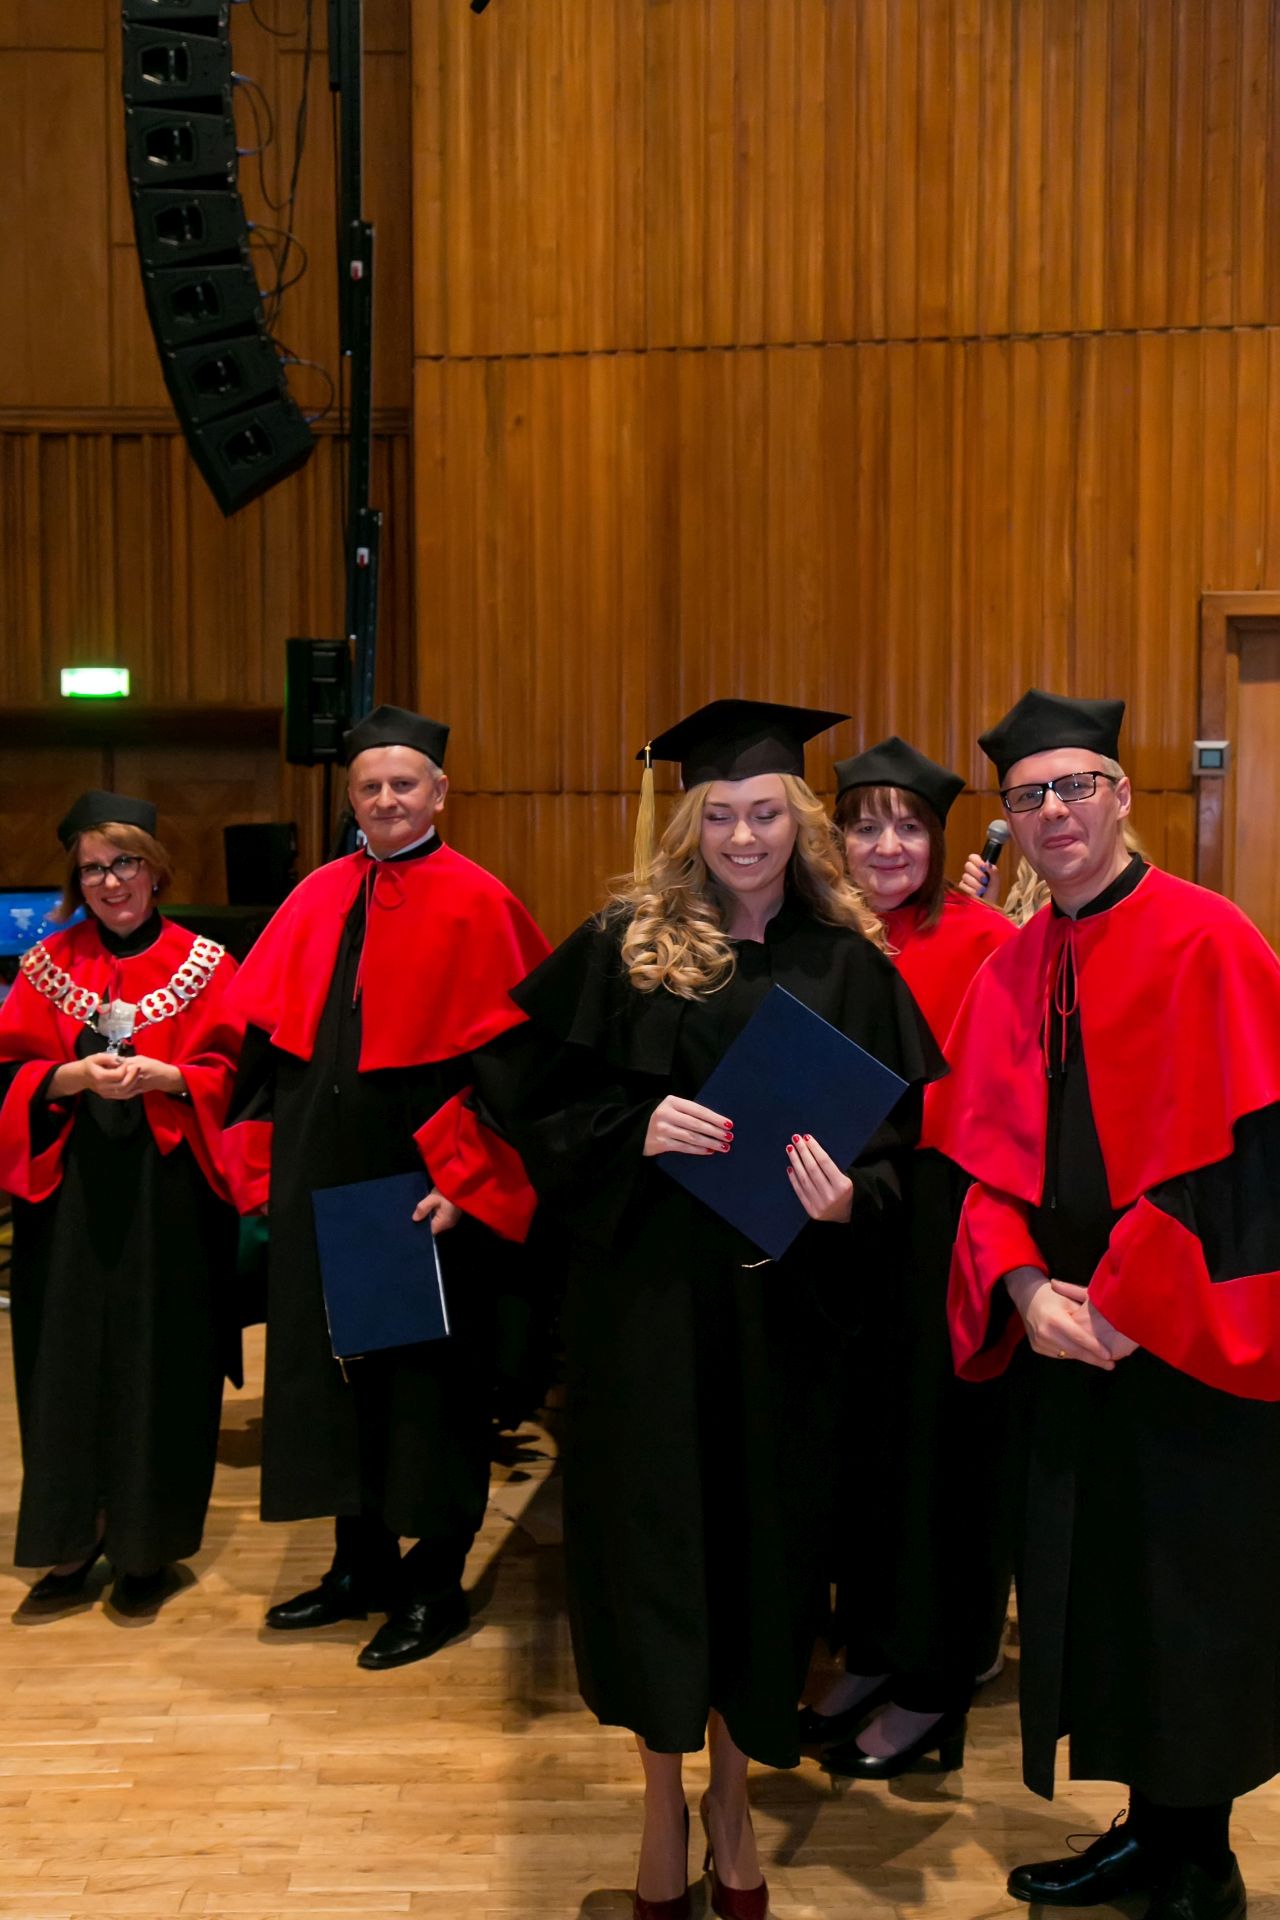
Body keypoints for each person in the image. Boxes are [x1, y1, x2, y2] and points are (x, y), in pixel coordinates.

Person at [478, 701, 943, 1920]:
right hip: (643, 1317)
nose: (744, 837)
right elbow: (520, 1099)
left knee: (760, 1556)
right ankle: (658, 1803)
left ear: (800, 825)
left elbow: (902, 1161)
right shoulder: (626, 945)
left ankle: (731, 1798)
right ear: (688, 822)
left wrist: (848, 1199)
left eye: (766, 814)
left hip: (781, 1323)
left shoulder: (848, 966)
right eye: (722, 814)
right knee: (651, 1558)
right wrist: (633, 1127)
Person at [933, 689, 1280, 1920]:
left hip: (1185, 1342)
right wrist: (1023, 1290)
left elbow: (1242, 1158)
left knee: (1191, 1593)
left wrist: (1131, 1302)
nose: (1052, 812)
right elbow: (977, 1165)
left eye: (1074, 786)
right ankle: (1146, 1832)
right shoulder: (1012, 963)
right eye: (1027, 797)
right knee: (1101, 1593)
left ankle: (1203, 1859)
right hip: (1067, 1335)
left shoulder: (1208, 940)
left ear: (1122, 796)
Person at [221, 705, 549, 1671]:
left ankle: (433, 1584)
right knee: (337, 1384)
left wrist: (470, 1180)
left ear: (439, 792)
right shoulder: (316, 895)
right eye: (370, 786)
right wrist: (262, 1170)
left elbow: (522, 1078)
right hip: (320, 1185)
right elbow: (264, 1053)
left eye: (404, 784)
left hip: (415, 1192)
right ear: (352, 797)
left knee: (427, 1398)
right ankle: (357, 1565)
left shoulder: (480, 903)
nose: (387, 799)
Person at [797, 737, 1016, 1776]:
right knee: (861, 1452)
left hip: (941, 1215)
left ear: (938, 839)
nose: (886, 846)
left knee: (939, 1456)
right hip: (839, 1217)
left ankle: (935, 1683)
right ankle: (874, 1651)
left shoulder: (984, 940)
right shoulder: (825, 938)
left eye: (909, 827)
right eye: (863, 825)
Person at [0, 790, 242, 1610]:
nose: (110, 882)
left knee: (160, 1362)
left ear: (155, 867)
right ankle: (70, 1541)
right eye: (93, 869)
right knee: (64, 1363)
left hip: (170, 1193)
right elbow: (6, 1076)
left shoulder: (208, 965)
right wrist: (64, 1076)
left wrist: (174, 1076)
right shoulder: (44, 967)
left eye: (124, 863)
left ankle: (146, 1548)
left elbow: (246, 1082)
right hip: (66, 1196)